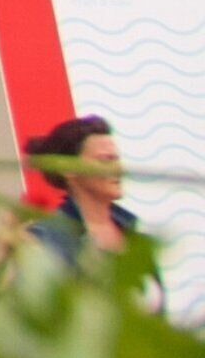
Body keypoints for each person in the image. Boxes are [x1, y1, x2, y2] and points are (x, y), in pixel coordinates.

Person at [24, 114, 151, 291]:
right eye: (106, 160)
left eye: (117, 159)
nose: (118, 169)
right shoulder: (47, 239)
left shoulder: (132, 230)